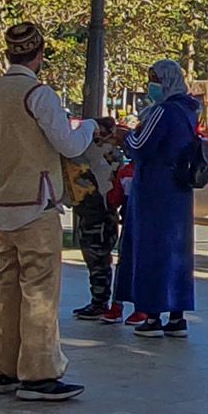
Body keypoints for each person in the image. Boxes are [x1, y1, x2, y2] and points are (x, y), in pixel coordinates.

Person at [0, 22, 94, 402]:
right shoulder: (38, 94)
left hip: (1, 202)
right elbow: (69, 144)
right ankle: (39, 374)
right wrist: (90, 126)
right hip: (37, 204)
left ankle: (4, 369)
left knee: (5, 289)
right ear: (39, 55)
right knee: (40, 290)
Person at [119, 60, 200, 338]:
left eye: (153, 79)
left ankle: (152, 314)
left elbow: (140, 146)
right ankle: (176, 315)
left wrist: (125, 137)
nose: (150, 85)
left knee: (150, 248)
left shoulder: (162, 111)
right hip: (179, 187)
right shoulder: (188, 110)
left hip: (154, 187)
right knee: (176, 250)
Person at [65, 119, 125, 322]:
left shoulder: (96, 151)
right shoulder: (112, 151)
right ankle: (100, 300)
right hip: (101, 211)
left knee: (97, 258)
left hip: (97, 212)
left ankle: (100, 302)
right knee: (99, 258)